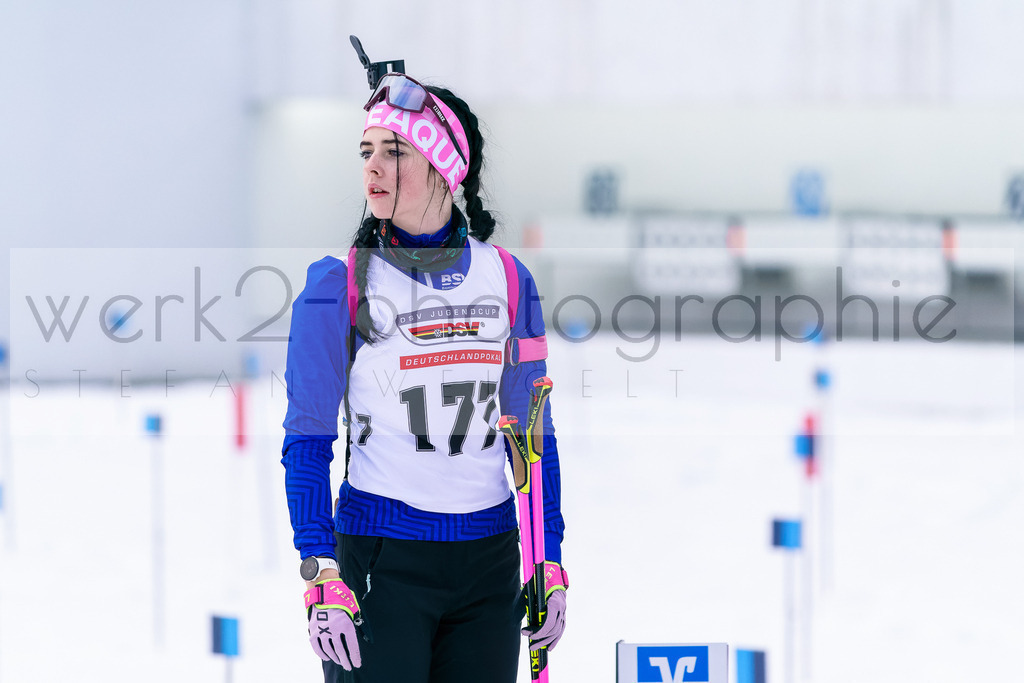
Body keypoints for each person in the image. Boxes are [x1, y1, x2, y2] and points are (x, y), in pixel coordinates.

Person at [280, 69, 568, 683]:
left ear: (444, 167)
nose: (373, 167)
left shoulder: (508, 279)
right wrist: (320, 570)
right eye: (366, 151)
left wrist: (548, 560)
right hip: (380, 564)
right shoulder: (337, 286)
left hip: (489, 564)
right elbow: (306, 440)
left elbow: (533, 436)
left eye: (395, 151)